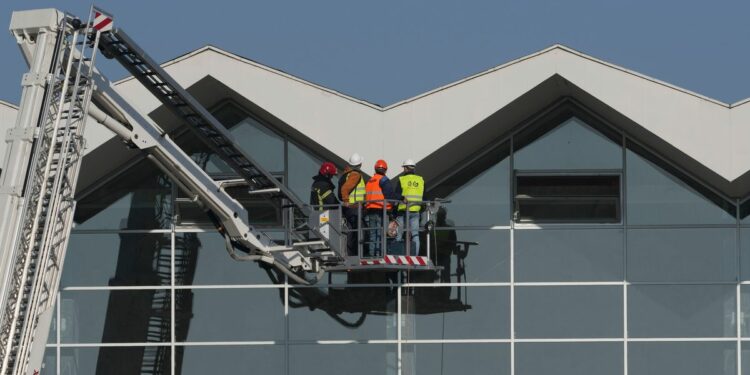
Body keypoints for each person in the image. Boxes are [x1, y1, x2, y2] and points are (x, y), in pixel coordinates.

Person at [364, 159, 395, 257]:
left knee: (373, 234)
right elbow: (389, 195)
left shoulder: (370, 181)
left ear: (375, 168)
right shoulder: (384, 180)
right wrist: (393, 206)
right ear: (385, 170)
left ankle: (373, 254)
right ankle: (381, 254)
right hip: (382, 210)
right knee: (382, 234)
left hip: (371, 210)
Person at [394, 159, 424, 255]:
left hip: (403, 211)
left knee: (399, 235)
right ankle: (415, 256)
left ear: (406, 168)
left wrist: (402, 198)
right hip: (415, 211)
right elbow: (425, 196)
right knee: (415, 235)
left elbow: (397, 194)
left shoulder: (402, 179)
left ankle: (398, 255)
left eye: (404, 168)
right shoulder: (420, 180)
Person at [338, 153, 366, 255]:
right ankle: (356, 253)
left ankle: (351, 252)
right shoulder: (355, 175)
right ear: (360, 164)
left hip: (351, 208)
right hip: (354, 207)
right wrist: (346, 201)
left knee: (351, 231)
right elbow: (345, 188)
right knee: (357, 231)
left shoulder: (347, 174)